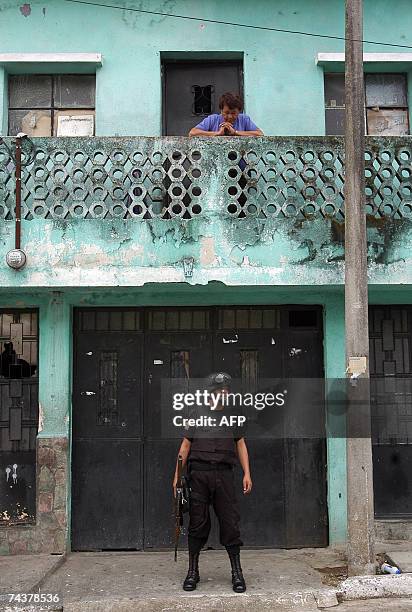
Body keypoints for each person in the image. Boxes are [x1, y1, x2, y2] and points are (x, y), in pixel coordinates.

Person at [172, 372, 252, 593]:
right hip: (199, 476)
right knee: (197, 524)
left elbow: (241, 444)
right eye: (220, 391)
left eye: (226, 391)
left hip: (224, 476)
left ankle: (237, 573)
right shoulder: (196, 412)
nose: (224, 394)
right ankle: (192, 572)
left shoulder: (234, 413)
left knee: (230, 523)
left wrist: (247, 473)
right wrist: (177, 477)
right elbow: (185, 446)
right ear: (210, 393)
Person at [189, 92, 263, 137]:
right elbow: (192, 133)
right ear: (221, 111)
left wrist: (235, 132)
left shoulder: (244, 119)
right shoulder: (212, 119)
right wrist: (217, 134)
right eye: (226, 113)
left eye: (234, 113)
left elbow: (260, 134)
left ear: (239, 112)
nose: (230, 116)